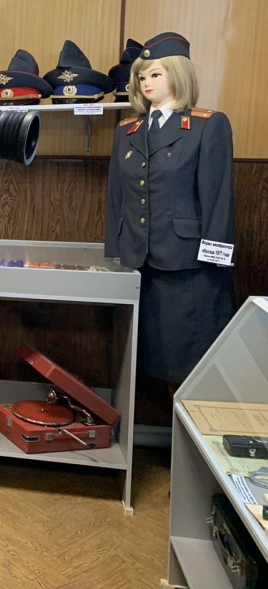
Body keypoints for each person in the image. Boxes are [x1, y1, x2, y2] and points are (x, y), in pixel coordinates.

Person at [104, 32, 235, 388]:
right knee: (141, 361)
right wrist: (114, 253)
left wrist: (217, 262)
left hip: (188, 265)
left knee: (190, 361)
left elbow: (218, 198)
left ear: (178, 73)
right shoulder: (127, 130)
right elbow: (116, 197)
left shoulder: (207, 125)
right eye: (141, 76)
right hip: (139, 260)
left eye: (155, 74)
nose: (146, 82)